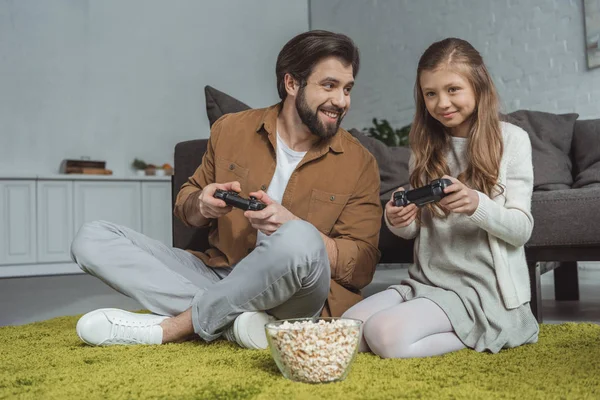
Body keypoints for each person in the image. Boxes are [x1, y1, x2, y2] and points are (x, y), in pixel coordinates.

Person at [71, 30, 382, 349]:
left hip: (297, 296)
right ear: (291, 84)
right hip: (220, 275)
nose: (342, 101)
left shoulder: (359, 163)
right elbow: (186, 205)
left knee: (300, 236)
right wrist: (201, 204)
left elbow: (362, 266)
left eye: (347, 89)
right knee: (92, 238)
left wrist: (292, 228)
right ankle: (243, 324)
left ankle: (172, 328)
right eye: (329, 86)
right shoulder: (231, 130)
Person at [343, 37, 539, 358]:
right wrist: (398, 221)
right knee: (350, 327)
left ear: (479, 86)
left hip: (481, 289)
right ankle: (437, 326)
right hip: (427, 282)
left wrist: (477, 205)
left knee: (383, 335)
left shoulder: (512, 141)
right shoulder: (426, 148)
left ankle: (497, 330)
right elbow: (417, 230)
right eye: (430, 94)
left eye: (453, 90)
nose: (442, 103)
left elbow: (520, 229)